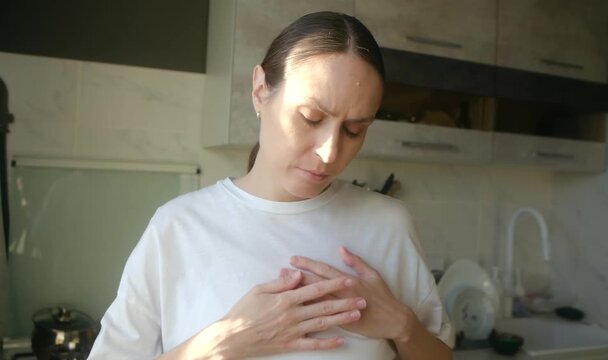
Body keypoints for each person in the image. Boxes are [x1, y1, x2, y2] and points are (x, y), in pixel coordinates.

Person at [88, 11, 453, 360]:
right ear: (261, 90)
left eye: (353, 130)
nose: (330, 152)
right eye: (311, 118)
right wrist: (222, 344)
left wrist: (402, 326)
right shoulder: (178, 228)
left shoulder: (388, 225)